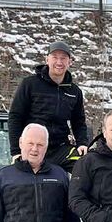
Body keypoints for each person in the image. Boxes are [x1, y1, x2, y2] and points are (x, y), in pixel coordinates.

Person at [8, 41, 88, 171]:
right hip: (34, 148)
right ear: (47, 59)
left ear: (70, 62)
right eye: (55, 57)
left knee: (86, 168)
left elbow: (79, 121)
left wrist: (82, 143)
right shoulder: (30, 84)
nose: (59, 62)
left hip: (61, 149)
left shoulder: (74, 92)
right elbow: (15, 117)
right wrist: (16, 151)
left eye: (63, 58)